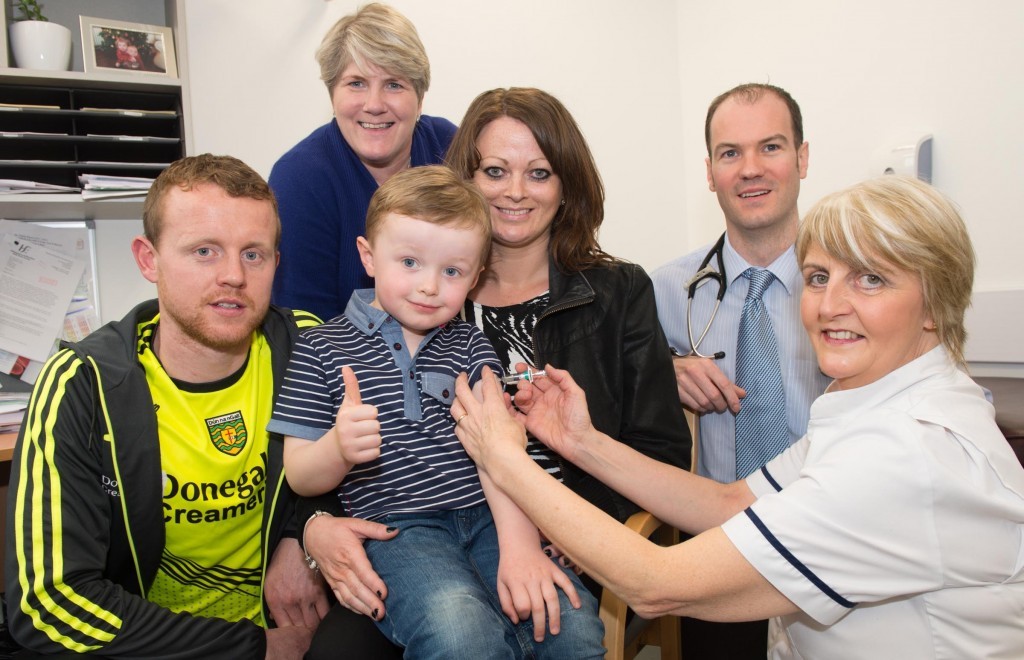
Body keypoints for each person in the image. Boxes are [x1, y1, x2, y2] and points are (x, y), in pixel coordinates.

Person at [452, 176, 1024, 660]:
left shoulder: (910, 452)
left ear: (937, 303)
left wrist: (503, 458)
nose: (829, 305)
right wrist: (580, 443)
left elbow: (655, 585)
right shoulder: (869, 405)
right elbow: (728, 503)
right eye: (820, 276)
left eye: (871, 278)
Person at [298, 87, 691, 658]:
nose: (514, 191)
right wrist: (314, 529)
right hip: (409, 543)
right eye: (495, 170)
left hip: (567, 541)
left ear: (566, 186)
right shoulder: (408, 291)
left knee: (558, 630)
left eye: (539, 173)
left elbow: (661, 451)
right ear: (466, 179)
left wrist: (572, 534)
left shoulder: (618, 292)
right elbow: (319, 434)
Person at [268, 165, 604, 658]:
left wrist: (520, 546)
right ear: (368, 256)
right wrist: (338, 449)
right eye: (409, 262)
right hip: (400, 531)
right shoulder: (320, 347)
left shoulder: (470, 345)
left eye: (451, 271)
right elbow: (299, 475)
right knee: (460, 631)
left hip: (491, 515)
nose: (429, 286)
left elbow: (500, 457)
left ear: (474, 277)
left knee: (569, 621)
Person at [4, 155, 328, 658]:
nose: (233, 276)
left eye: (254, 254)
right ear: (148, 259)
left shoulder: (310, 348)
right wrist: (255, 648)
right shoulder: (80, 385)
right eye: (204, 251)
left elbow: (390, 468)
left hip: (301, 625)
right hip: (157, 644)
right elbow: (48, 601)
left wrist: (302, 535)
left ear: (276, 264)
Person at [652, 82, 831, 482]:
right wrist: (665, 371)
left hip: (833, 524)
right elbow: (623, 394)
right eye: (730, 153)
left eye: (770, 147)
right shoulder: (664, 292)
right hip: (712, 531)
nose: (750, 169)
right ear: (711, 173)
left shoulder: (852, 289)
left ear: (802, 159)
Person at [269, 3, 456, 323]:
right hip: (343, 366)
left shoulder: (448, 147)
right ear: (332, 95)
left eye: (394, 84)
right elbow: (304, 324)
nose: (374, 105)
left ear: (420, 97)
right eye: (356, 83)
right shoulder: (299, 179)